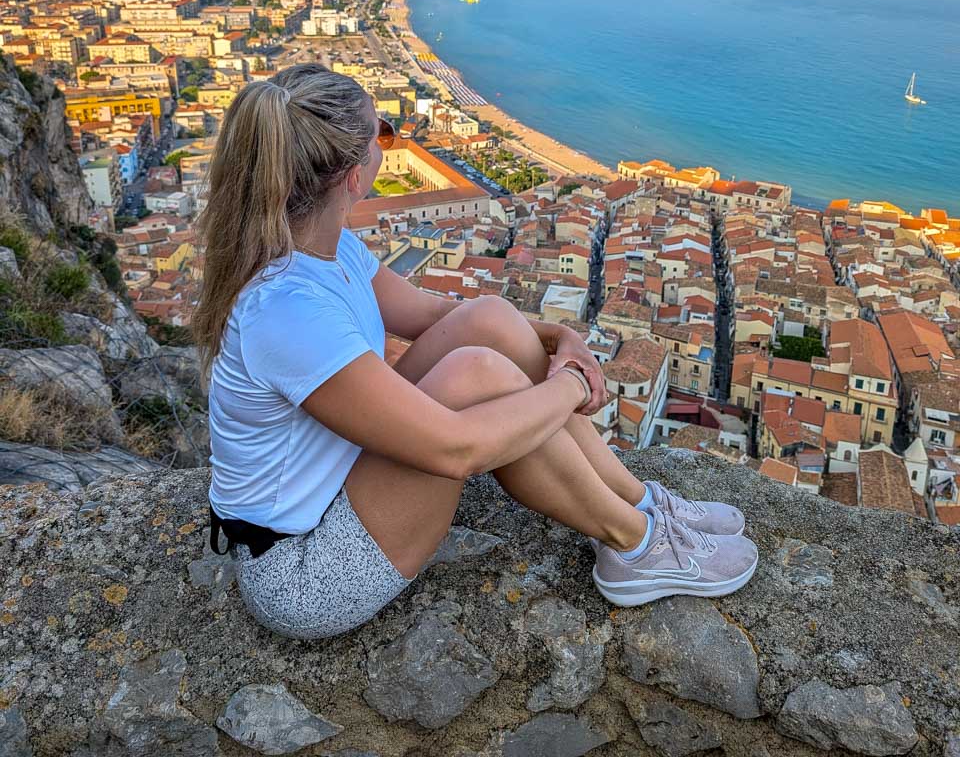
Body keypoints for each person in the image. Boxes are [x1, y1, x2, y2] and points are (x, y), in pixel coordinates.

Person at [193, 63, 757, 641]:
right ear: (353, 177)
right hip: (304, 571)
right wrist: (569, 387)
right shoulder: (286, 311)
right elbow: (459, 450)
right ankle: (634, 545)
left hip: (339, 479)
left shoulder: (324, 249)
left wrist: (555, 339)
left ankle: (638, 501)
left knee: (487, 319)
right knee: (476, 374)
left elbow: (441, 317)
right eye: (382, 135)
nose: (389, 144)